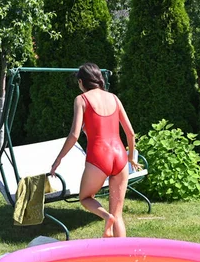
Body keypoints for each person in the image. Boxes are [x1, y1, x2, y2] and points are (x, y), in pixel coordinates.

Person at [50, 62, 141, 238]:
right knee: (119, 215)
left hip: (100, 156)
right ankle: (122, 260)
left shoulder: (81, 99)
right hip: (120, 155)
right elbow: (130, 133)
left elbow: (74, 135)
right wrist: (130, 158)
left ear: (82, 82)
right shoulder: (114, 98)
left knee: (85, 198)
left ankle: (106, 217)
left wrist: (58, 159)